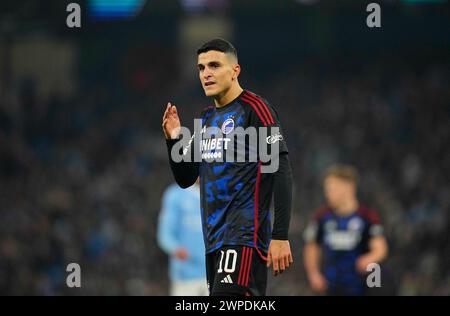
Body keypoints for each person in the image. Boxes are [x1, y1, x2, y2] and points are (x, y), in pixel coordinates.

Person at [162, 38, 294, 296]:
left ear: (235, 71)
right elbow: (186, 177)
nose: (206, 73)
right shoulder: (206, 118)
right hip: (213, 243)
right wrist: (174, 138)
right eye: (201, 68)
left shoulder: (255, 109)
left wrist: (280, 236)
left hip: (243, 238)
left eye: (214, 65)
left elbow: (279, 168)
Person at [303, 164, 389, 296]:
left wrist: (370, 258)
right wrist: (313, 274)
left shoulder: (367, 216)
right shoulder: (322, 216)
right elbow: (311, 246)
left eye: (332, 189)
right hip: (331, 286)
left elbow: (380, 248)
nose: (327, 193)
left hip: (361, 285)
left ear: (349, 187)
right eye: (327, 189)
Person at [157, 179, 208, 296]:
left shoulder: (219, 192)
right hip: (186, 275)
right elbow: (165, 234)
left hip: (216, 274)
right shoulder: (175, 195)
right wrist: (176, 249)